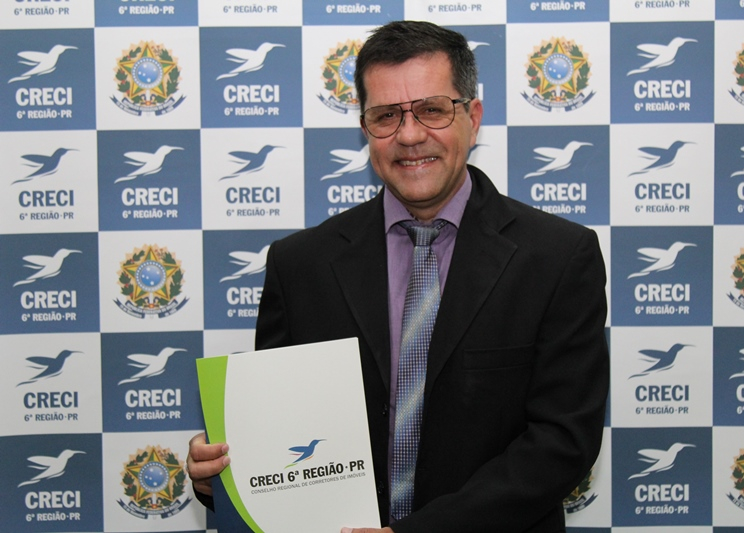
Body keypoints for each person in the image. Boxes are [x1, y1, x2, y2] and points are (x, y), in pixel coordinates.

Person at [188, 20, 609, 533]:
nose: (409, 136)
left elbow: (563, 443)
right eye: (386, 116)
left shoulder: (559, 257)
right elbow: (281, 435)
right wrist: (223, 475)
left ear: (473, 118)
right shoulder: (299, 265)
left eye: (432, 110)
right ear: (366, 128)